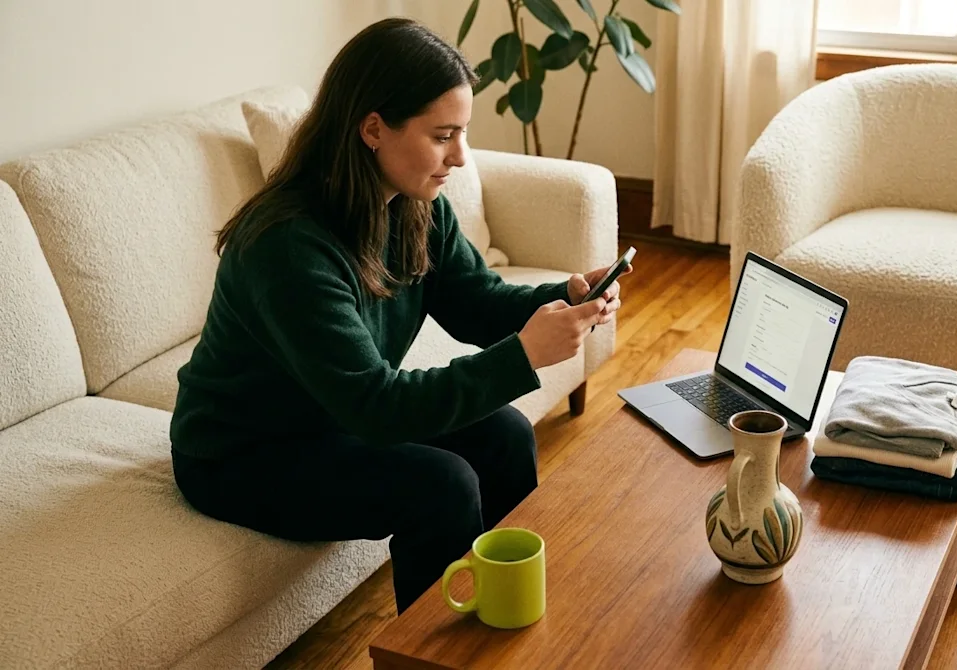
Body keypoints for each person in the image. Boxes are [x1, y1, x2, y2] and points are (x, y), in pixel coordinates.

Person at [168, 17, 629, 614]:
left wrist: (566, 296)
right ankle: (432, 649)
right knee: (441, 486)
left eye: (462, 134)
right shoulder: (288, 248)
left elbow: (477, 302)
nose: (459, 157)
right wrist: (523, 355)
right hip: (245, 452)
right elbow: (376, 408)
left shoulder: (413, 207)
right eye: (443, 136)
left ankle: (505, 616)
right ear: (373, 129)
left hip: (331, 412)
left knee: (506, 435)